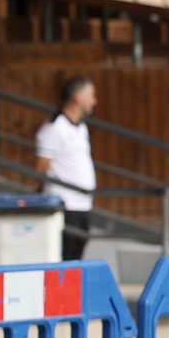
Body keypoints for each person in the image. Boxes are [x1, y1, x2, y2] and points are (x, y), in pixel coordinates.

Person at [35, 76, 97, 261]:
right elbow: (41, 168)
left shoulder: (81, 127)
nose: (94, 101)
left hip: (83, 204)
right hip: (66, 205)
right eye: (92, 96)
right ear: (78, 98)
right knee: (66, 259)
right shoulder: (55, 127)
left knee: (77, 257)